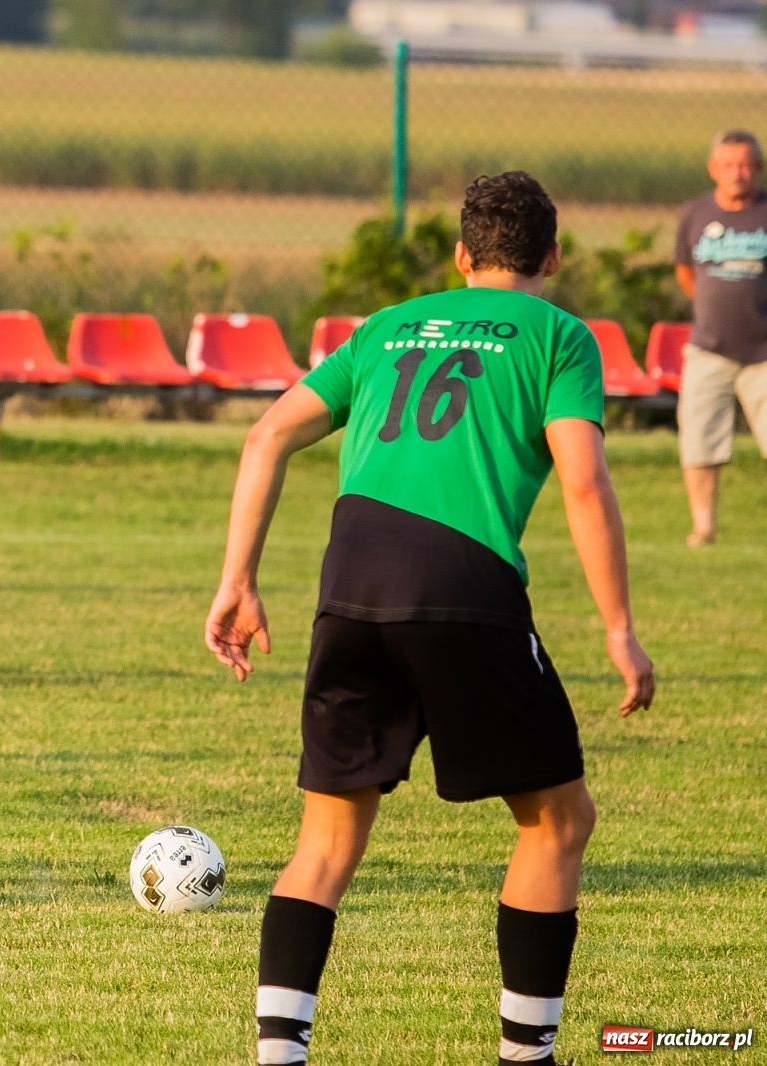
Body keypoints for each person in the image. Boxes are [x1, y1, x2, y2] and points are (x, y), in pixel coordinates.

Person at [204, 171, 655, 1066]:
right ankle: (527, 1056)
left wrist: (238, 581)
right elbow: (583, 478)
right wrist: (617, 627)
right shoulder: (562, 336)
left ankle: (277, 1058)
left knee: (327, 839)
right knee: (557, 823)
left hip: (349, 581)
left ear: (460, 256)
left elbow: (266, 436)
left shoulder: (385, 327)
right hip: (464, 586)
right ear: (552, 257)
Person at [673, 128, 767, 547]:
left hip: (765, 353)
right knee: (700, 442)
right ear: (713, 169)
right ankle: (703, 527)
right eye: (728, 165)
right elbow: (685, 271)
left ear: (759, 169)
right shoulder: (694, 214)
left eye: (746, 164)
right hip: (709, 349)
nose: (738, 173)